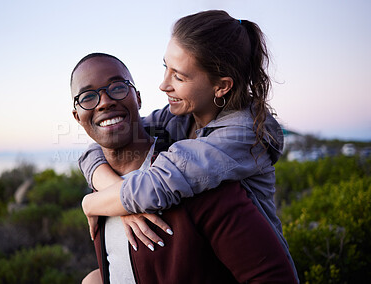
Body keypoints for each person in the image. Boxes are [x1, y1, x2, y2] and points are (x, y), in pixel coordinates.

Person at [72, 52, 298, 283]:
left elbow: (274, 276)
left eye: (117, 87)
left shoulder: (198, 178)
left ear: (137, 98)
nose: (105, 101)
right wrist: (111, 198)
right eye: (88, 97)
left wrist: (96, 203)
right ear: (77, 116)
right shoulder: (102, 188)